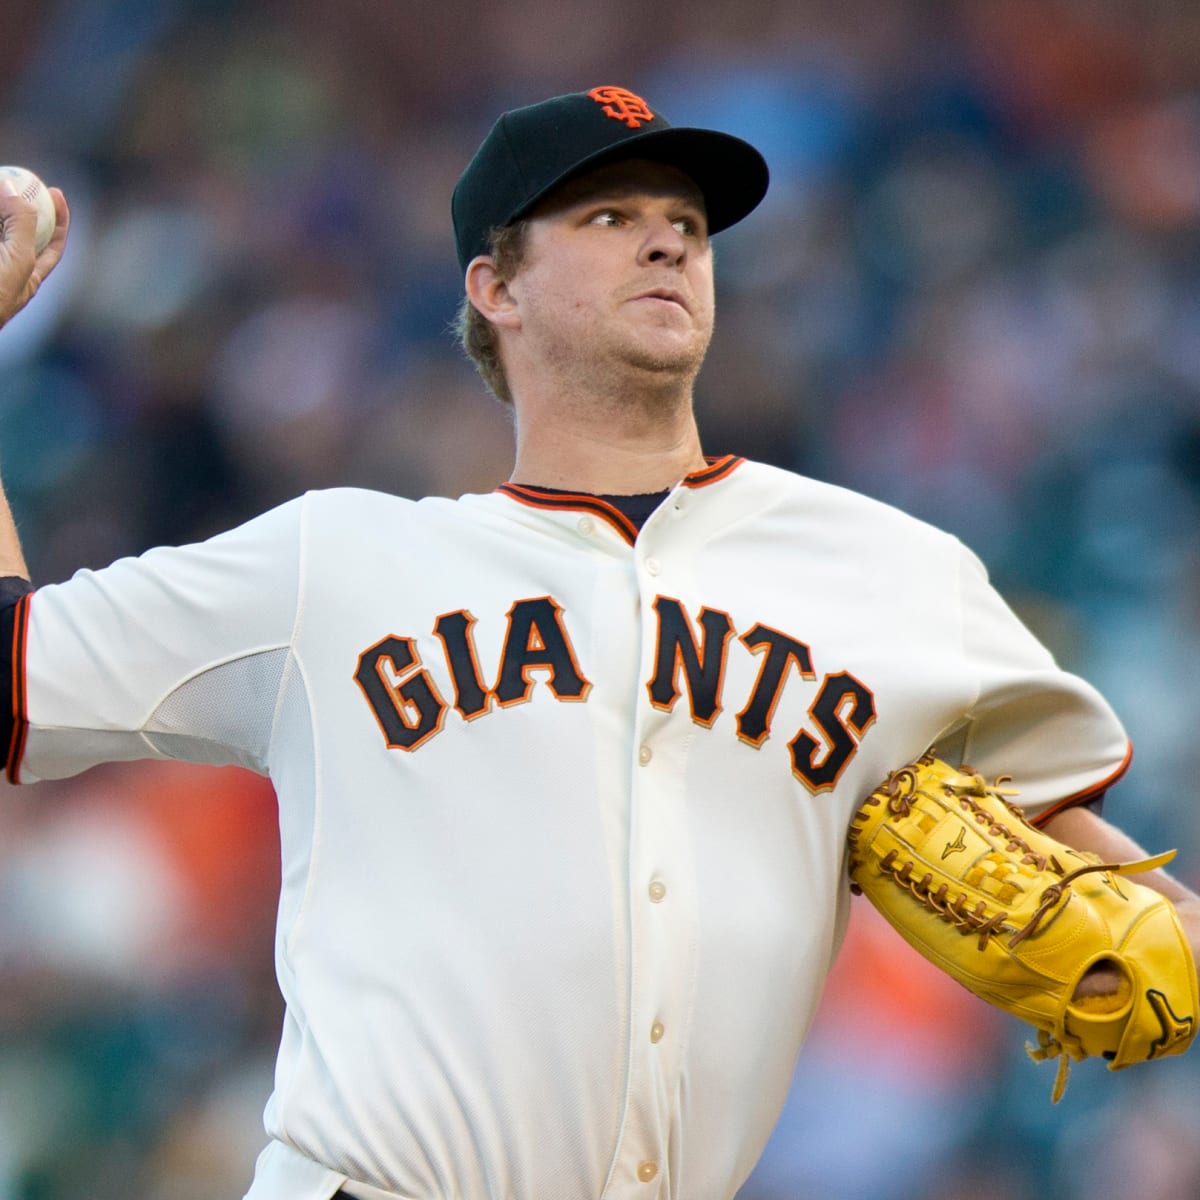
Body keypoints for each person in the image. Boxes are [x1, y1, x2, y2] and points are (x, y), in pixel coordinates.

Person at [0, 85, 1196, 1200]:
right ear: (495, 290)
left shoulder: (888, 576)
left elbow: (1118, 893)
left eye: (687, 221)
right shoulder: (333, 564)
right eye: (611, 215)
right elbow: (15, 668)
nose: (669, 240)